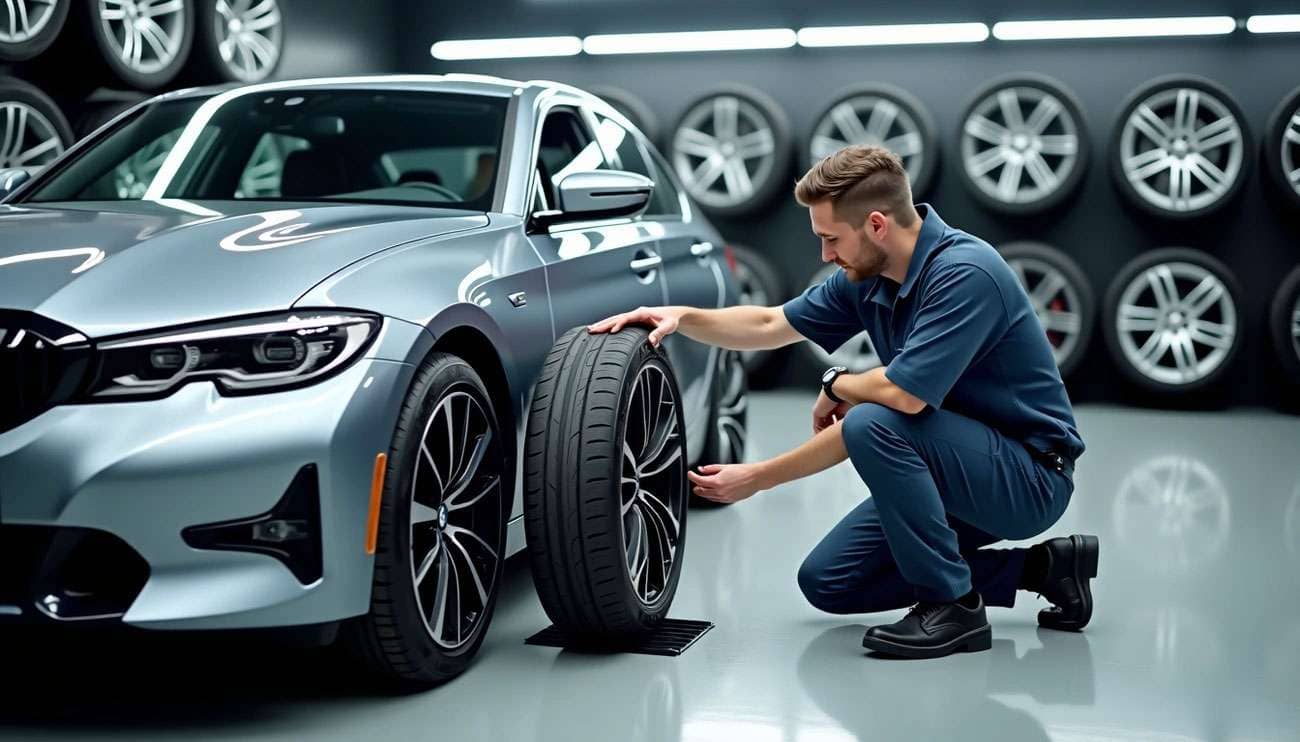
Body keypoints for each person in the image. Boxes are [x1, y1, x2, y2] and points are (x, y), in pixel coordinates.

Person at [587, 145, 1097, 660]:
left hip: (1028, 478)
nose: (826, 255)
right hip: (952, 471)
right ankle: (1045, 569)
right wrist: (681, 318)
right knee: (830, 581)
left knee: (874, 419)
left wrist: (837, 383)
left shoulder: (965, 273)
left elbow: (901, 400)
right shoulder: (869, 278)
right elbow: (769, 324)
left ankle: (955, 607)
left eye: (831, 239)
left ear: (876, 225)